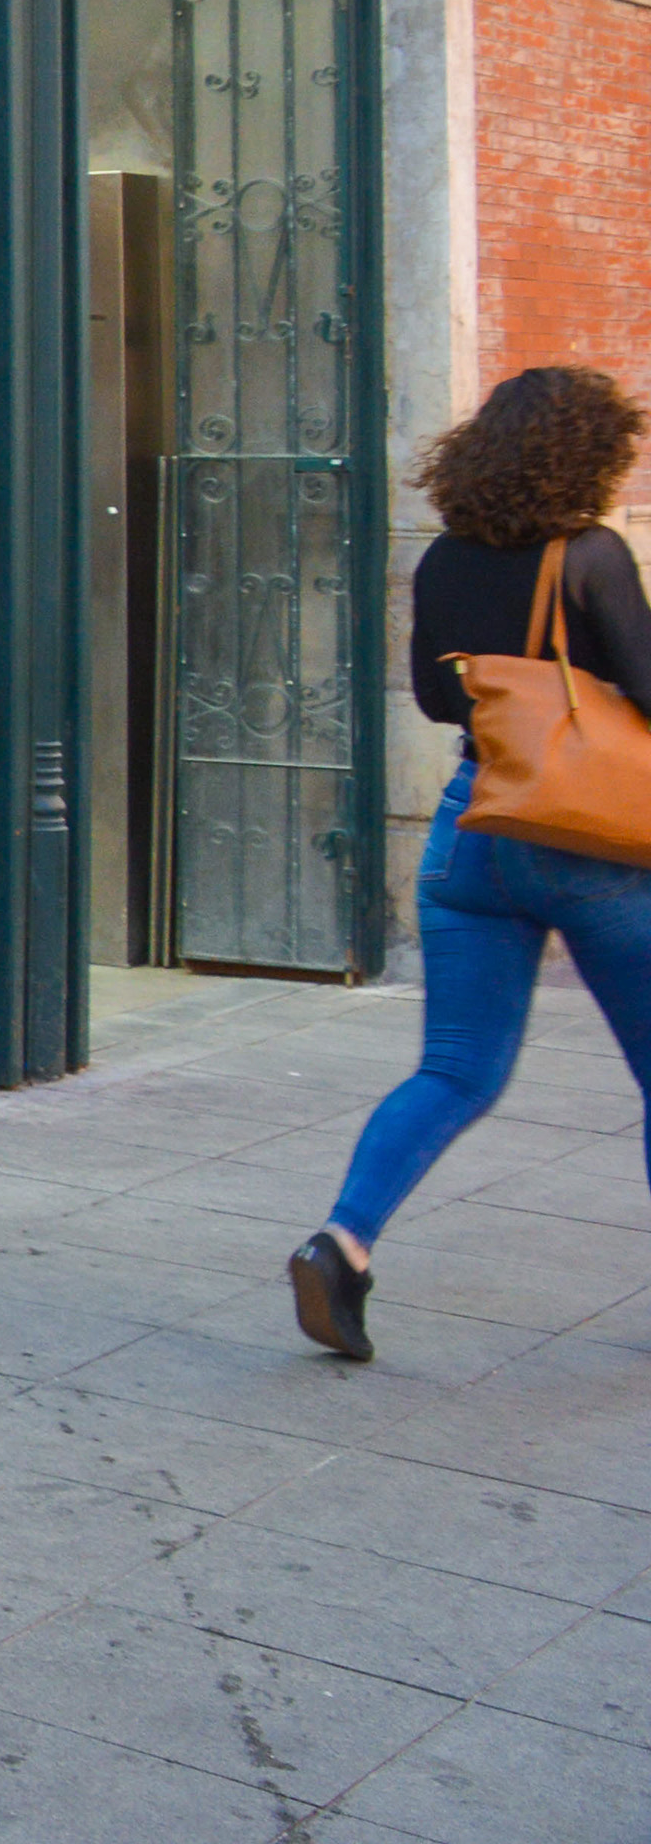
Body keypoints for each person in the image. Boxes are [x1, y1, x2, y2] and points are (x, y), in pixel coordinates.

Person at [296, 367, 651, 1361]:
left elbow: (439, 702)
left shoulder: (446, 558)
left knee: (454, 1070)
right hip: (588, 847)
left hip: (473, 827)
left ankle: (343, 1243)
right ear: (591, 452)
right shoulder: (591, 556)